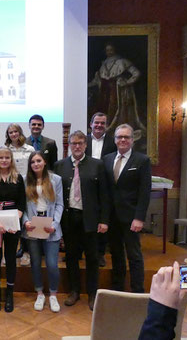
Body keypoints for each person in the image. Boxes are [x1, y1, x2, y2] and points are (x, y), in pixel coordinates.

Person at [54, 130, 110, 310]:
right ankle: (74, 291)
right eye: (73, 143)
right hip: (69, 219)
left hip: (91, 219)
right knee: (71, 256)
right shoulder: (59, 165)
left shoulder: (97, 165)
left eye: (80, 143)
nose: (77, 146)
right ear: (69, 145)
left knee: (92, 258)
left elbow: (104, 196)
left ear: (85, 145)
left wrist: (104, 220)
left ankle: (93, 294)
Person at [103, 123, 151, 293]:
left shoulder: (142, 160)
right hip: (112, 217)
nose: (122, 140)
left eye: (126, 137)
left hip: (131, 218)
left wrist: (139, 218)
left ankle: (137, 291)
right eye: (119, 137)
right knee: (116, 255)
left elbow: (145, 192)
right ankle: (117, 289)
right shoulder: (107, 159)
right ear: (115, 140)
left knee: (134, 256)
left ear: (132, 140)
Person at [0, 146, 26, 313]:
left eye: (7, 157)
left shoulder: (18, 178)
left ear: (11, 159)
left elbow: (22, 204)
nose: (4, 160)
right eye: (1, 157)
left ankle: (9, 294)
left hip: (12, 225)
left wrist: (13, 223)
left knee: (9, 257)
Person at [22, 151, 63, 312]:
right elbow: (22, 205)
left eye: (38, 161)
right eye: (33, 162)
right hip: (32, 226)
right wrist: (25, 221)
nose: (36, 164)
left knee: (52, 264)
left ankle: (53, 294)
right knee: (36, 262)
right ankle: (39, 293)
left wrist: (55, 223)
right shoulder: (25, 181)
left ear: (45, 162)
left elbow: (59, 204)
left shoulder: (55, 179)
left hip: (50, 226)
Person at [88, 43, 146, 138]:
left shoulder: (122, 61)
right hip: (105, 91)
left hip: (119, 92)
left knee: (117, 111)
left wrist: (127, 82)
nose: (109, 52)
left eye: (111, 49)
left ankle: (118, 133)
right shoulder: (104, 64)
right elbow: (97, 80)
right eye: (107, 50)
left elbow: (136, 73)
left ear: (114, 50)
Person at [85, 112, 117, 267]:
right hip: (86, 185)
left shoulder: (113, 142)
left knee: (103, 219)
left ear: (106, 125)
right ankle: (79, 252)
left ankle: (100, 253)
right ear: (91, 124)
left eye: (102, 123)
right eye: (96, 122)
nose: (99, 125)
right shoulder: (82, 141)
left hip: (105, 185)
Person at [5, 123, 34, 267]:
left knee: (26, 217)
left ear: (20, 132)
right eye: (10, 132)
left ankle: (27, 251)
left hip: (28, 187)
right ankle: (17, 248)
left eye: (15, 131)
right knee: (15, 218)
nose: (13, 134)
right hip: (12, 188)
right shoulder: (6, 150)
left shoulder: (29, 149)